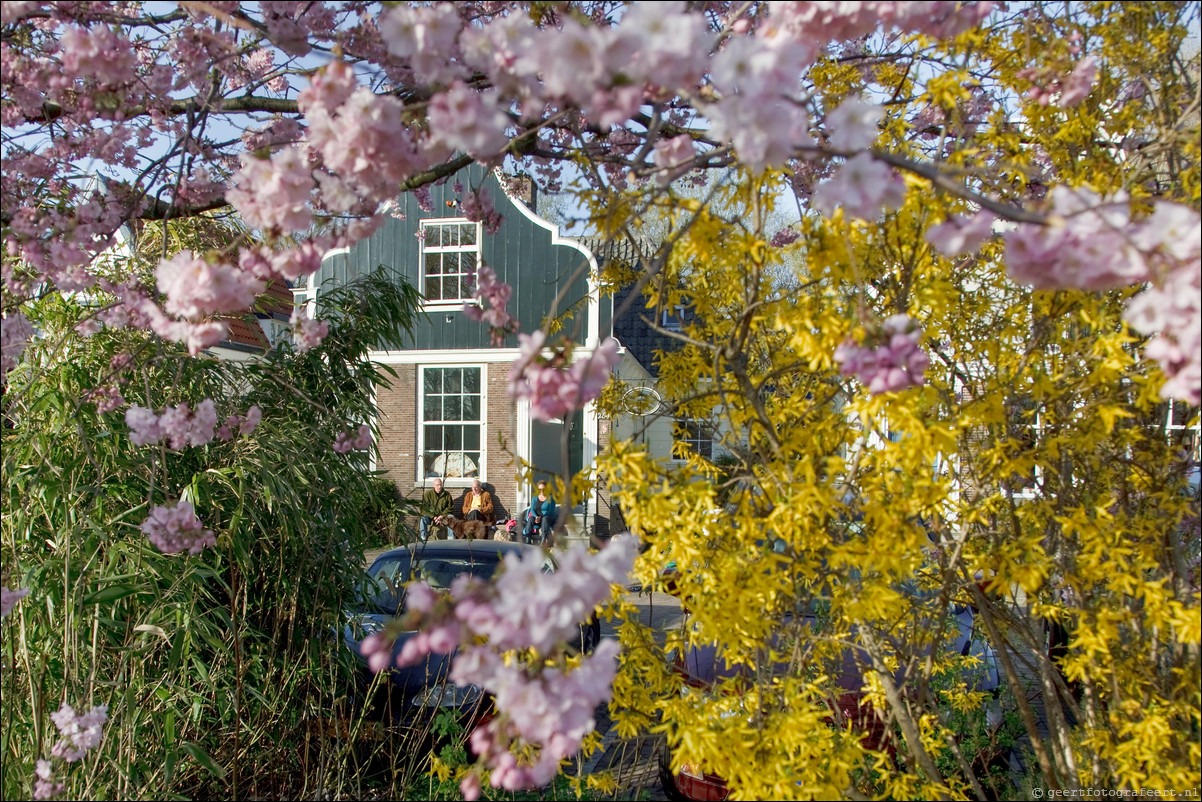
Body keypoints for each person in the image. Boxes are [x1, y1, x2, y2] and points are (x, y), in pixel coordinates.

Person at [523, 480, 557, 545]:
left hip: (548, 518)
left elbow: (551, 511)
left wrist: (541, 517)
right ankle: (528, 538)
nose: (542, 491)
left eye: (543, 489)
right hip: (538, 518)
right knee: (531, 519)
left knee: (545, 519)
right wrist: (536, 517)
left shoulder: (551, 498)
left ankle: (543, 538)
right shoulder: (534, 498)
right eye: (540, 489)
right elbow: (532, 509)